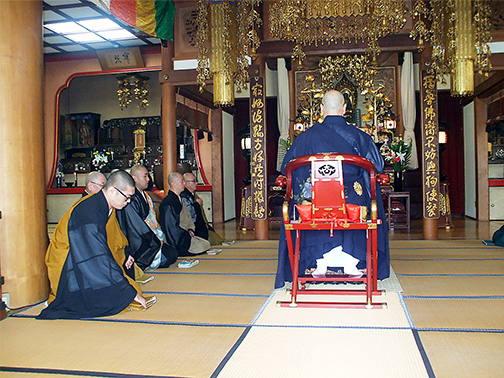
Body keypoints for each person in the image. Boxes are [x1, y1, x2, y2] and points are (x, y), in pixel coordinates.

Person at [275, 90, 390, 289]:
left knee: (306, 199)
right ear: (345, 109)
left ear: (321, 109)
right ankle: (356, 262)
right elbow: (377, 166)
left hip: (314, 207)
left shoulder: (304, 139)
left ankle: (314, 262)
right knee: (363, 195)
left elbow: (287, 167)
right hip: (352, 207)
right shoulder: (360, 137)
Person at [38, 170, 150, 319]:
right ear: (112, 191)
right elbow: (94, 253)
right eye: (127, 197)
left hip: (89, 255)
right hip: (70, 260)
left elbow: (113, 239)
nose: (128, 201)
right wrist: (126, 290)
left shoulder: (106, 206)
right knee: (117, 297)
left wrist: (126, 253)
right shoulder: (89, 210)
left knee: (128, 292)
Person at [117, 165, 177, 275]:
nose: (148, 179)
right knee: (169, 256)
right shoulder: (131, 199)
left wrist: (159, 237)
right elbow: (136, 226)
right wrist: (155, 240)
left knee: (172, 252)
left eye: (148, 176)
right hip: (140, 239)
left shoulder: (145, 196)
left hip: (150, 234)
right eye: (145, 176)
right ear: (134, 178)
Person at [159, 172, 210, 256]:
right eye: (182, 181)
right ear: (173, 184)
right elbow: (171, 228)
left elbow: (188, 217)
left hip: (186, 234)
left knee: (206, 243)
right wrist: (186, 236)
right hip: (179, 239)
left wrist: (190, 229)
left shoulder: (180, 199)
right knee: (203, 245)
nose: (184, 183)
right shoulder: (168, 203)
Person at [180, 172, 228, 246]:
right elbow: (188, 213)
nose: (196, 183)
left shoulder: (192, 194)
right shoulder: (184, 196)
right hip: (192, 227)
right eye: (193, 181)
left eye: (196, 181)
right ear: (185, 183)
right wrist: (197, 205)